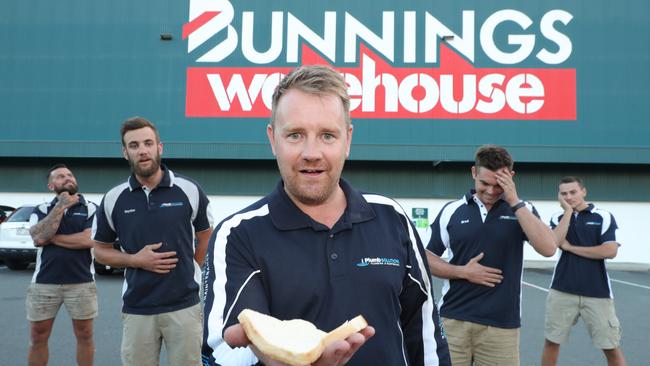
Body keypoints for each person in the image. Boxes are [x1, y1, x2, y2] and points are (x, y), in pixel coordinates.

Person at [201, 65, 451, 366]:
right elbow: (220, 351)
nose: (312, 152)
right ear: (272, 139)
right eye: (295, 135)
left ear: (347, 139)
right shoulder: (237, 234)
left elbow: (424, 335)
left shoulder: (392, 218)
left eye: (327, 136)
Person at [92, 117, 214, 366]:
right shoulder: (114, 198)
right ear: (125, 153)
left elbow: (205, 236)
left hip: (184, 307)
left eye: (148, 143)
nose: (142, 150)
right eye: (134, 145)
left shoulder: (189, 189)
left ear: (160, 147)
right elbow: (100, 251)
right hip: (137, 308)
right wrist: (134, 260)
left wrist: (192, 267)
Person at [425, 145, 557, 366]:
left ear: (511, 177)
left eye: (498, 185)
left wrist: (514, 201)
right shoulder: (451, 210)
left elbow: (548, 248)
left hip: (501, 327)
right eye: (484, 183)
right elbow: (425, 257)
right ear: (474, 173)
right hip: (453, 321)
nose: (490, 191)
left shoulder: (523, 211)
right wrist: (462, 272)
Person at [541, 177, 627, 366]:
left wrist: (572, 248)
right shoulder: (557, 217)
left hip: (598, 294)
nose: (569, 196)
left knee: (611, 346)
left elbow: (610, 251)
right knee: (551, 342)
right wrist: (569, 212)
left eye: (573, 192)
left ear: (583, 192)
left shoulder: (603, 216)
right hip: (561, 291)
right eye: (564, 193)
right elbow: (553, 243)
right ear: (559, 196)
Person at [27, 164, 98, 366]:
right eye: (60, 176)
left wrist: (50, 238)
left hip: (82, 282)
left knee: (85, 335)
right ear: (51, 185)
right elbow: (38, 238)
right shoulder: (41, 209)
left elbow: (88, 240)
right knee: (38, 336)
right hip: (44, 283)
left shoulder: (91, 208)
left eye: (69, 175)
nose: (67, 178)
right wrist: (60, 206)